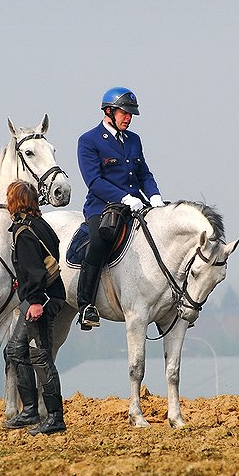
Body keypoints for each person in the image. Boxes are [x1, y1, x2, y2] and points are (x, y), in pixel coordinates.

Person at [76, 86, 165, 330]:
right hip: (103, 207)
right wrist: (124, 197)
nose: (128, 118)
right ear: (109, 111)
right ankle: (86, 305)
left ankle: (166, 304)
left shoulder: (134, 140)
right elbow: (94, 181)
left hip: (137, 205)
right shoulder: (89, 140)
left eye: (131, 114)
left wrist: (154, 196)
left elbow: (143, 173)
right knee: (98, 242)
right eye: (124, 113)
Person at [3, 180, 68, 435]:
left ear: (15, 202)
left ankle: (55, 417)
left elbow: (35, 270)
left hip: (42, 299)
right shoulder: (41, 225)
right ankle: (29, 410)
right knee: (16, 350)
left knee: (41, 356)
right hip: (42, 296)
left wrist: (38, 301)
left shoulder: (25, 232)